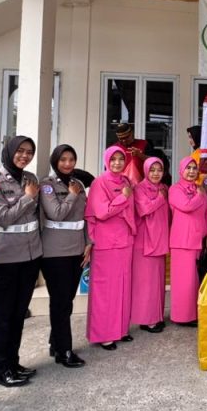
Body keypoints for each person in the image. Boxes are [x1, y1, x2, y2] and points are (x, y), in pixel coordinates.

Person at [0, 135, 42, 387]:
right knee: (1, 315)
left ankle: (13, 361)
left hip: (29, 255)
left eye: (29, 152)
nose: (25, 156)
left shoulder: (31, 179)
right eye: (20, 151)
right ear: (9, 152)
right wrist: (28, 198)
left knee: (19, 313)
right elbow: (3, 217)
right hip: (3, 258)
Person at [39, 144, 91, 368]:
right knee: (60, 302)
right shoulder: (47, 185)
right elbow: (56, 213)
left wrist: (89, 243)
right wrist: (71, 196)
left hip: (77, 248)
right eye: (63, 160)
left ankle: (56, 342)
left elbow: (86, 215)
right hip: (55, 251)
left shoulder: (78, 184)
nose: (68, 163)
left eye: (71, 159)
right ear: (55, 161)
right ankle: (65, 350)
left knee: (67, 300)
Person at [85, 145, 137, 350]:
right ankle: (104, 333)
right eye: (113, 159)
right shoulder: (99, 183)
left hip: (125, 240)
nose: (117, 163)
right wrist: (123, 197)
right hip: (107, 243)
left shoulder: (126, 181)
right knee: (105, 289)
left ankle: (120, 330)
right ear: (107, 160)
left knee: (123, 286)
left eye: (121, 159)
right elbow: (102, 212)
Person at [169, 156, 207, 326]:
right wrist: (199, 196)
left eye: (194, 168)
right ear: (181, 170)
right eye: (188, 168)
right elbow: (186, 206)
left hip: (199, 240)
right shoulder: (175, 189)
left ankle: (194, 314)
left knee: (196, 280)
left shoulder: (199, 188)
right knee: (184, 281)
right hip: (183, 242)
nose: (192, 171)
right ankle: (182, 317)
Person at [132, 157, 170, 333]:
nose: (156, 173)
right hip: (145, 242)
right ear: (146, 170)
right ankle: (146, 320)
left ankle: (156, 316)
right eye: (152, 170)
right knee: (146, 283)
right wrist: (160, 199)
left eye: (159, 170)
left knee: (157, 281)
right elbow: (144, 209)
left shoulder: (163, 188)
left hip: (159, 240)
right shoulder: (139, 188)